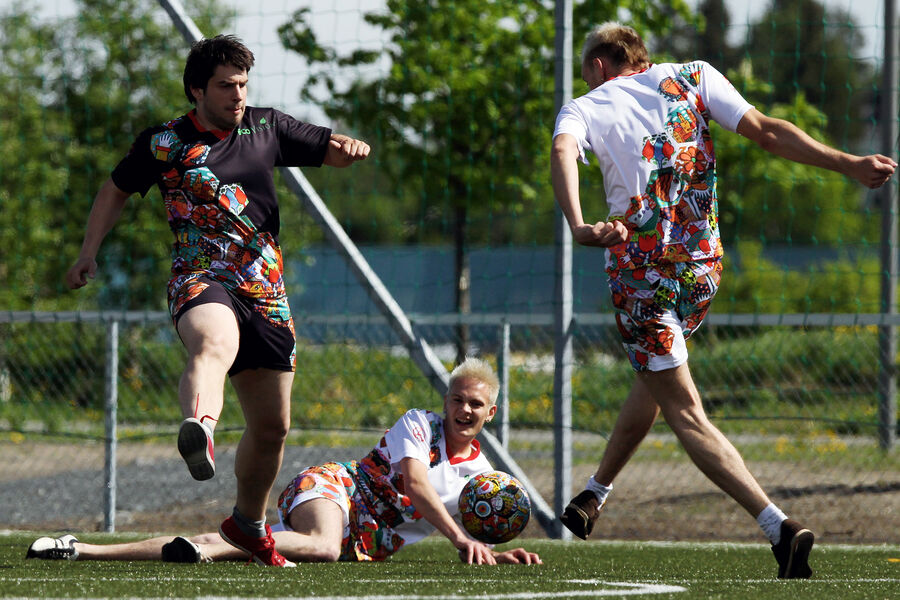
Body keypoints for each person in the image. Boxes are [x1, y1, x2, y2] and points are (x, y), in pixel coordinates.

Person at [550, 22, 896, 579]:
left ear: (597, 65)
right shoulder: (695, 76)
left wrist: (579, 224)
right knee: (657, 377)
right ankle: (595, 491)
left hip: (643, 280)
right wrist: (848, 164)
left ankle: (778, 527)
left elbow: (563, 150)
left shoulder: (584, 106)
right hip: (703, 271)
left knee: (685, 409)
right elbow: (767, 132)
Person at [63, 34, 370, 567]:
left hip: (266, 291)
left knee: (272, 427)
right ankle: (200, 428)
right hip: (201, 277)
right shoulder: (163, 143)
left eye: (243, 84)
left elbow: (330, 149)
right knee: (214, 342)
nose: (238, 95)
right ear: (197, 90)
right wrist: (88, 251)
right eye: (226, 86)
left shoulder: (267, 126)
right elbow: (114, 190)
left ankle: (248, 524)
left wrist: (347, 149)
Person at [26, 358, 542, 566]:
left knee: (223, 546)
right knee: (322, 546)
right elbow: (417, 485)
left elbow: (467, 523)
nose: (464, 410)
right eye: (458, 400)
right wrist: (460, 539)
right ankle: (224, 544)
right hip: (335, 489)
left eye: (476, 404)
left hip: (366, 541)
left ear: (491, 413)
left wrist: (494, 550)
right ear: (446, 401)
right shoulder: (418, 423)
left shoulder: (481, 477)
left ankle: (82, 548)